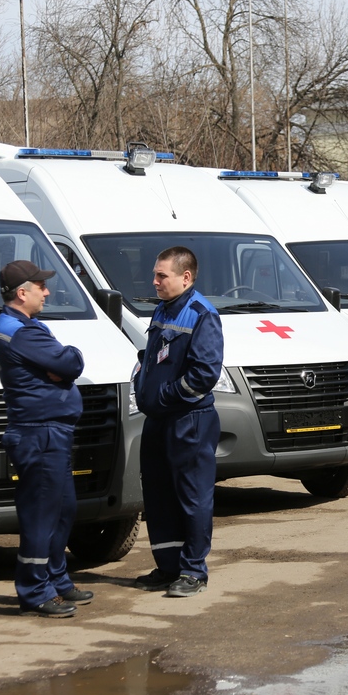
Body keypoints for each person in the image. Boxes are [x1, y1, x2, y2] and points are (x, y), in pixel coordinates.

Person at [0, 259, 92, 617]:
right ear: (23, 293)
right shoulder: (23, 332)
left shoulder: (26, 327)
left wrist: (62, 366)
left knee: (62, 509)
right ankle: (35, 591)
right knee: (41, 515)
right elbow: (72, 364)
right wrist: (69, 360)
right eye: (41, 287)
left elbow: (61, 367)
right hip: (40, 433)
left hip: (50, 432)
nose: (47, 292)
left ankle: (56, 579)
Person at [133, 246, 224, 598]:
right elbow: (154, 356)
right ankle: (168, 567)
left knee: (192, 498)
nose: (154, 281)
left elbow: (203, 374)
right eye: (155, 274)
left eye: (161, 276)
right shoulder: (163, 309)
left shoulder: (202, 314)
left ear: (185, 277)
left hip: (189, 421)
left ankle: (193, 571)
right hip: (158, 420)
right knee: (159, 496)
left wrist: (163, 395)